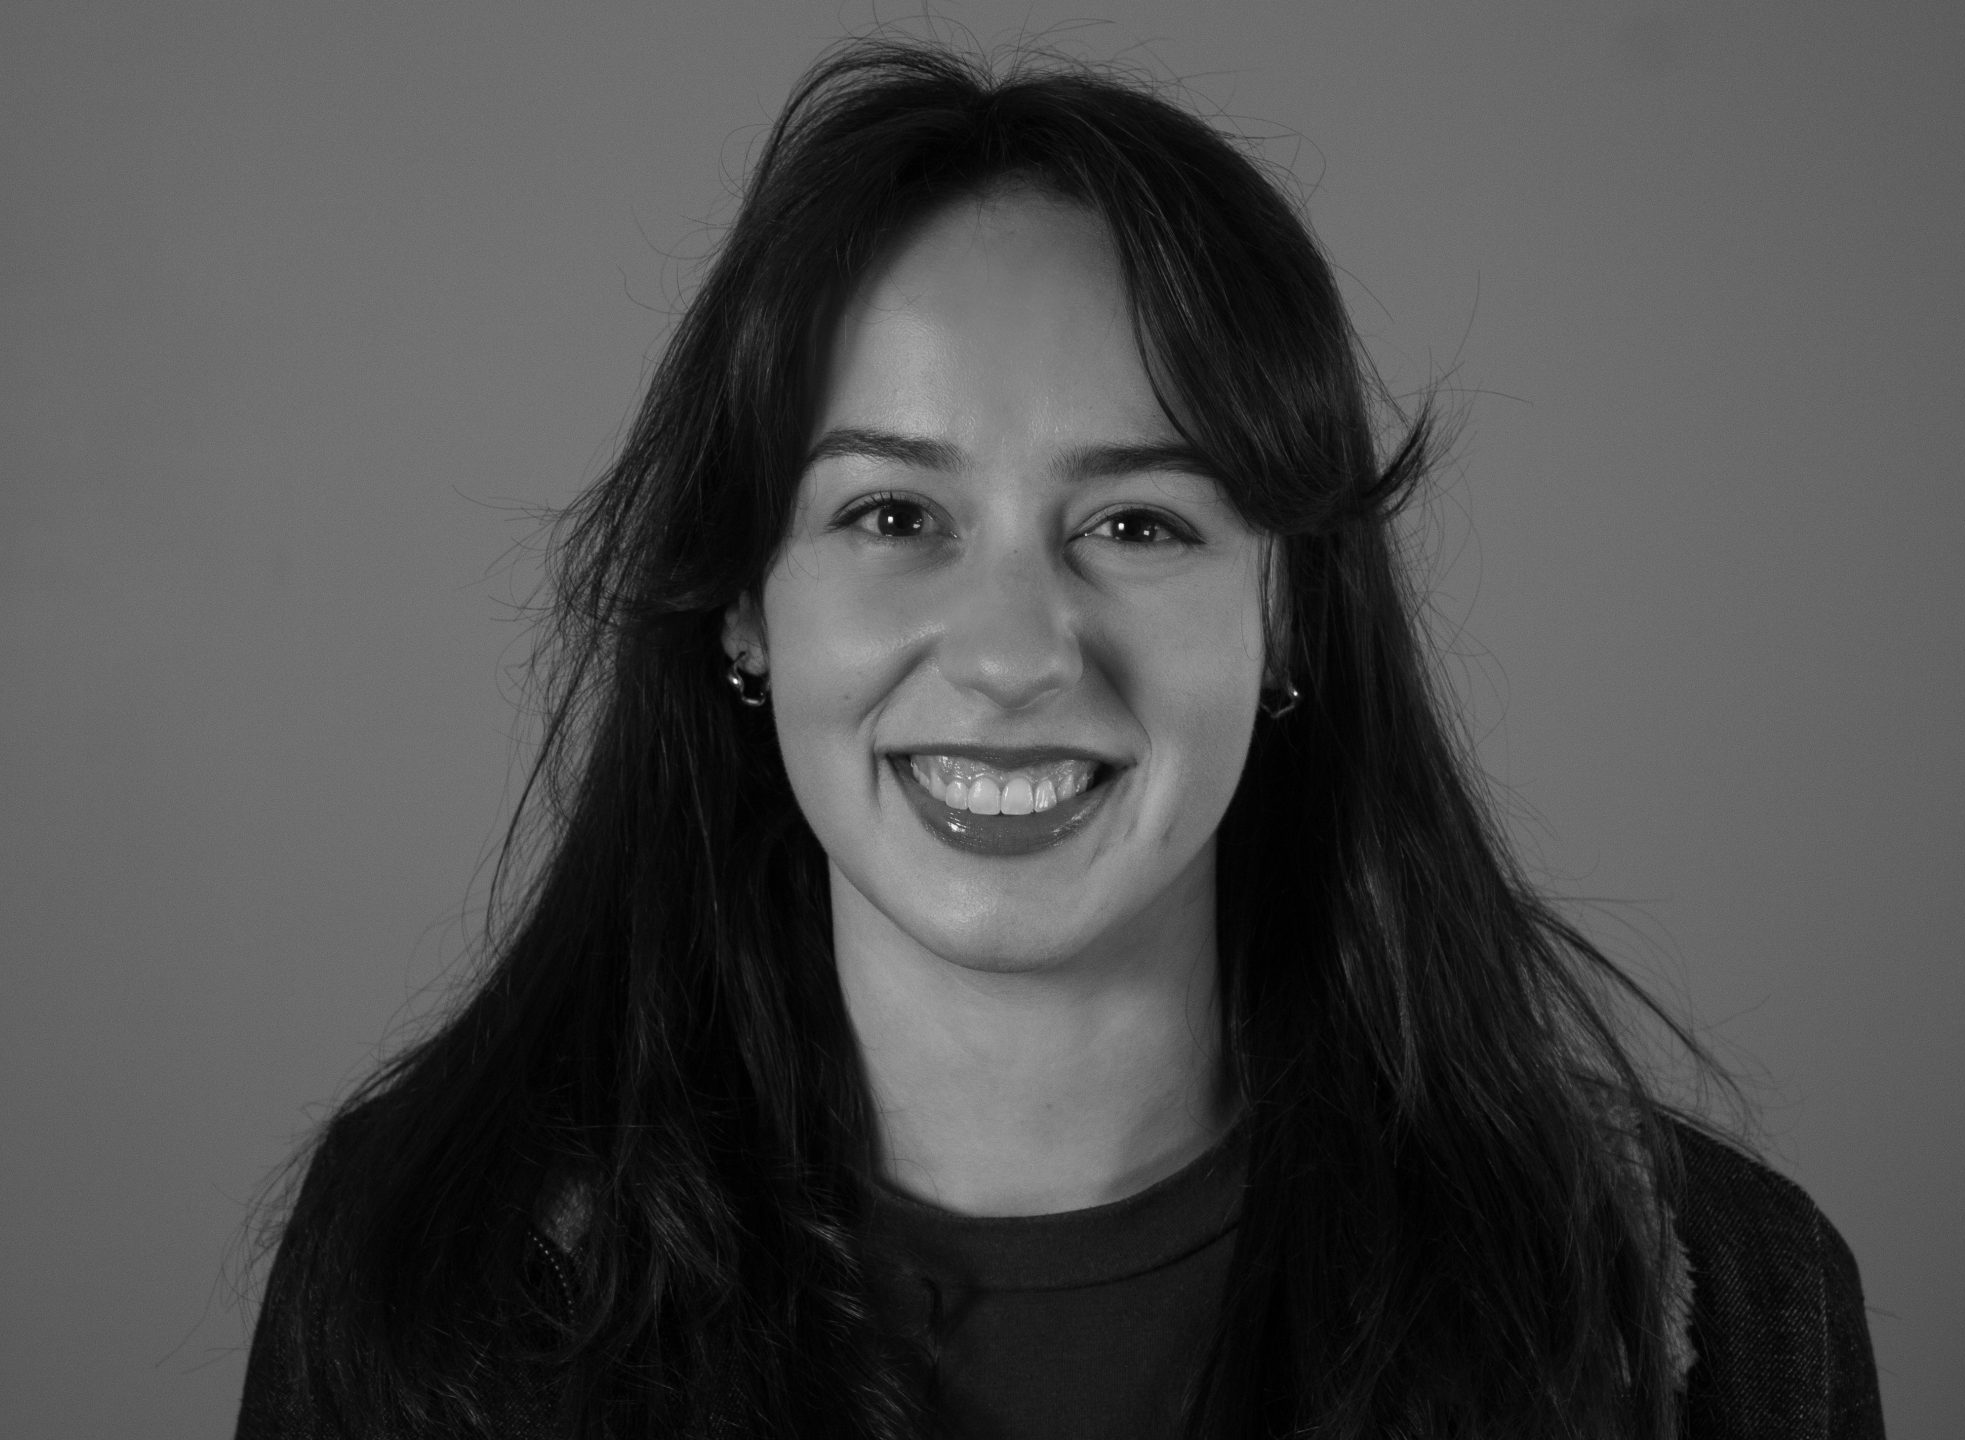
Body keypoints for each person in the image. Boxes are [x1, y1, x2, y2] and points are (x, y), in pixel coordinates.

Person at [237, 38, 1881, 1440]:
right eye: (894, 514)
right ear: (743, 604)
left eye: (1139, 525)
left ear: (1290, 613)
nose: (1017, 654)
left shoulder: (1698, 1303)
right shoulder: (439, 1275)